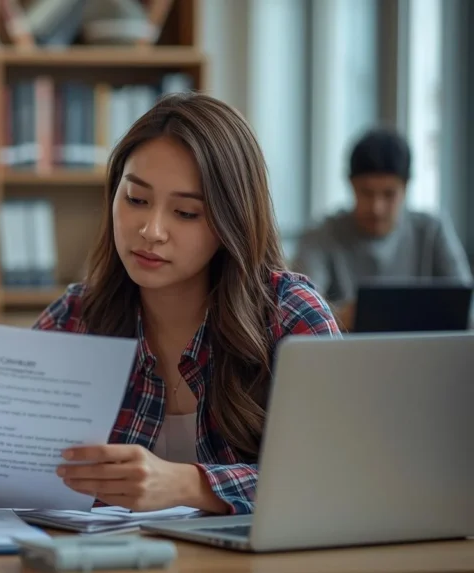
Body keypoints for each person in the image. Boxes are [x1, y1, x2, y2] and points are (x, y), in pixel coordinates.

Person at [35, 93, 341, 516]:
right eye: (136, 200)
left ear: (231, 220)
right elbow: (9, 461)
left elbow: (333, 477)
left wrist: (189, 484)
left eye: (186, 212)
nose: (151, 231)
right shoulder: (75, 318)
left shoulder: (290, 315)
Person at [291, 127, 473, 330]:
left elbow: (466, 309)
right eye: (366, 193)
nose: (377, 207)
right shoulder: (321, 235)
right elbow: (298, 308)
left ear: (405, 187)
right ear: (351, 185)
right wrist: (341, 317)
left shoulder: (433, 231)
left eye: (389, 194)